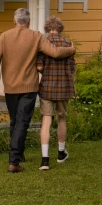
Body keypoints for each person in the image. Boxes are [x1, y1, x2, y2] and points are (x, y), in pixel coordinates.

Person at [0, 8, 76, 173]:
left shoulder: (5, 37)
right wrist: (71, 50)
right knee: (22, 122)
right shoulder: (36, 36)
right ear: (29, 22)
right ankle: (14, 162)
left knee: (15, 121)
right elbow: (54, 52)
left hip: (10, 87)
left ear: (14, 21)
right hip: (29, 87)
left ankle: (18, 155)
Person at [35, 16, 75, 170]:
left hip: (47, 87)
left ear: (47, 28)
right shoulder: (68, 44)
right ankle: (60, 153)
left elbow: (39, 67)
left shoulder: (43, 43)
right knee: (61, 119)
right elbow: (72, 68)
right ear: (60, 27)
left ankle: (45, 160)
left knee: (46, 121)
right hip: (64, 87)